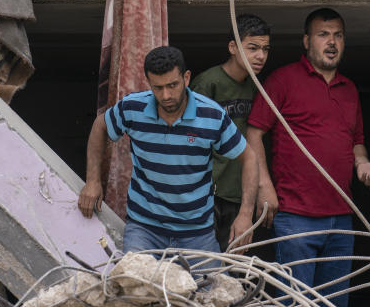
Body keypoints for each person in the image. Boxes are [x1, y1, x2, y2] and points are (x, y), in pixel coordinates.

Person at [245, 8, 370, 307]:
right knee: (295, 303)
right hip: (295, 215)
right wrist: (265, 187)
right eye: (323, 34)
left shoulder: (349, 89)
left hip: (341, 217)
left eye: (338, 35)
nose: (332, 42)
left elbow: (356, 143)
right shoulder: (282, 80)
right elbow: (254, 134)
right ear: (306, 41)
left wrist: (363, 165)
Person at [77, 46, 258, 254]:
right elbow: (100, 126)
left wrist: (245, 214)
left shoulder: (211, 115)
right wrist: (92, 181)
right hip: (144, 229)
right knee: (134, 283)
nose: (166, 95)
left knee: (212, 286)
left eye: (173, 85)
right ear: (149, 83)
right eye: (158, 88)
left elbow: (249, 158)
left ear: (187, 78)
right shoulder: (132, 108)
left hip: (197, 233)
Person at [190, 14, 271, 250]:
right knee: (203, 266)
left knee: (234, 268)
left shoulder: (255, 86)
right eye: (253, 48)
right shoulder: (208, 83)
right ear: (233, 47)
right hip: (208, 193)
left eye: (266, 49)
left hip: (238, 192)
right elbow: (192, 141)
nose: (261, 56)